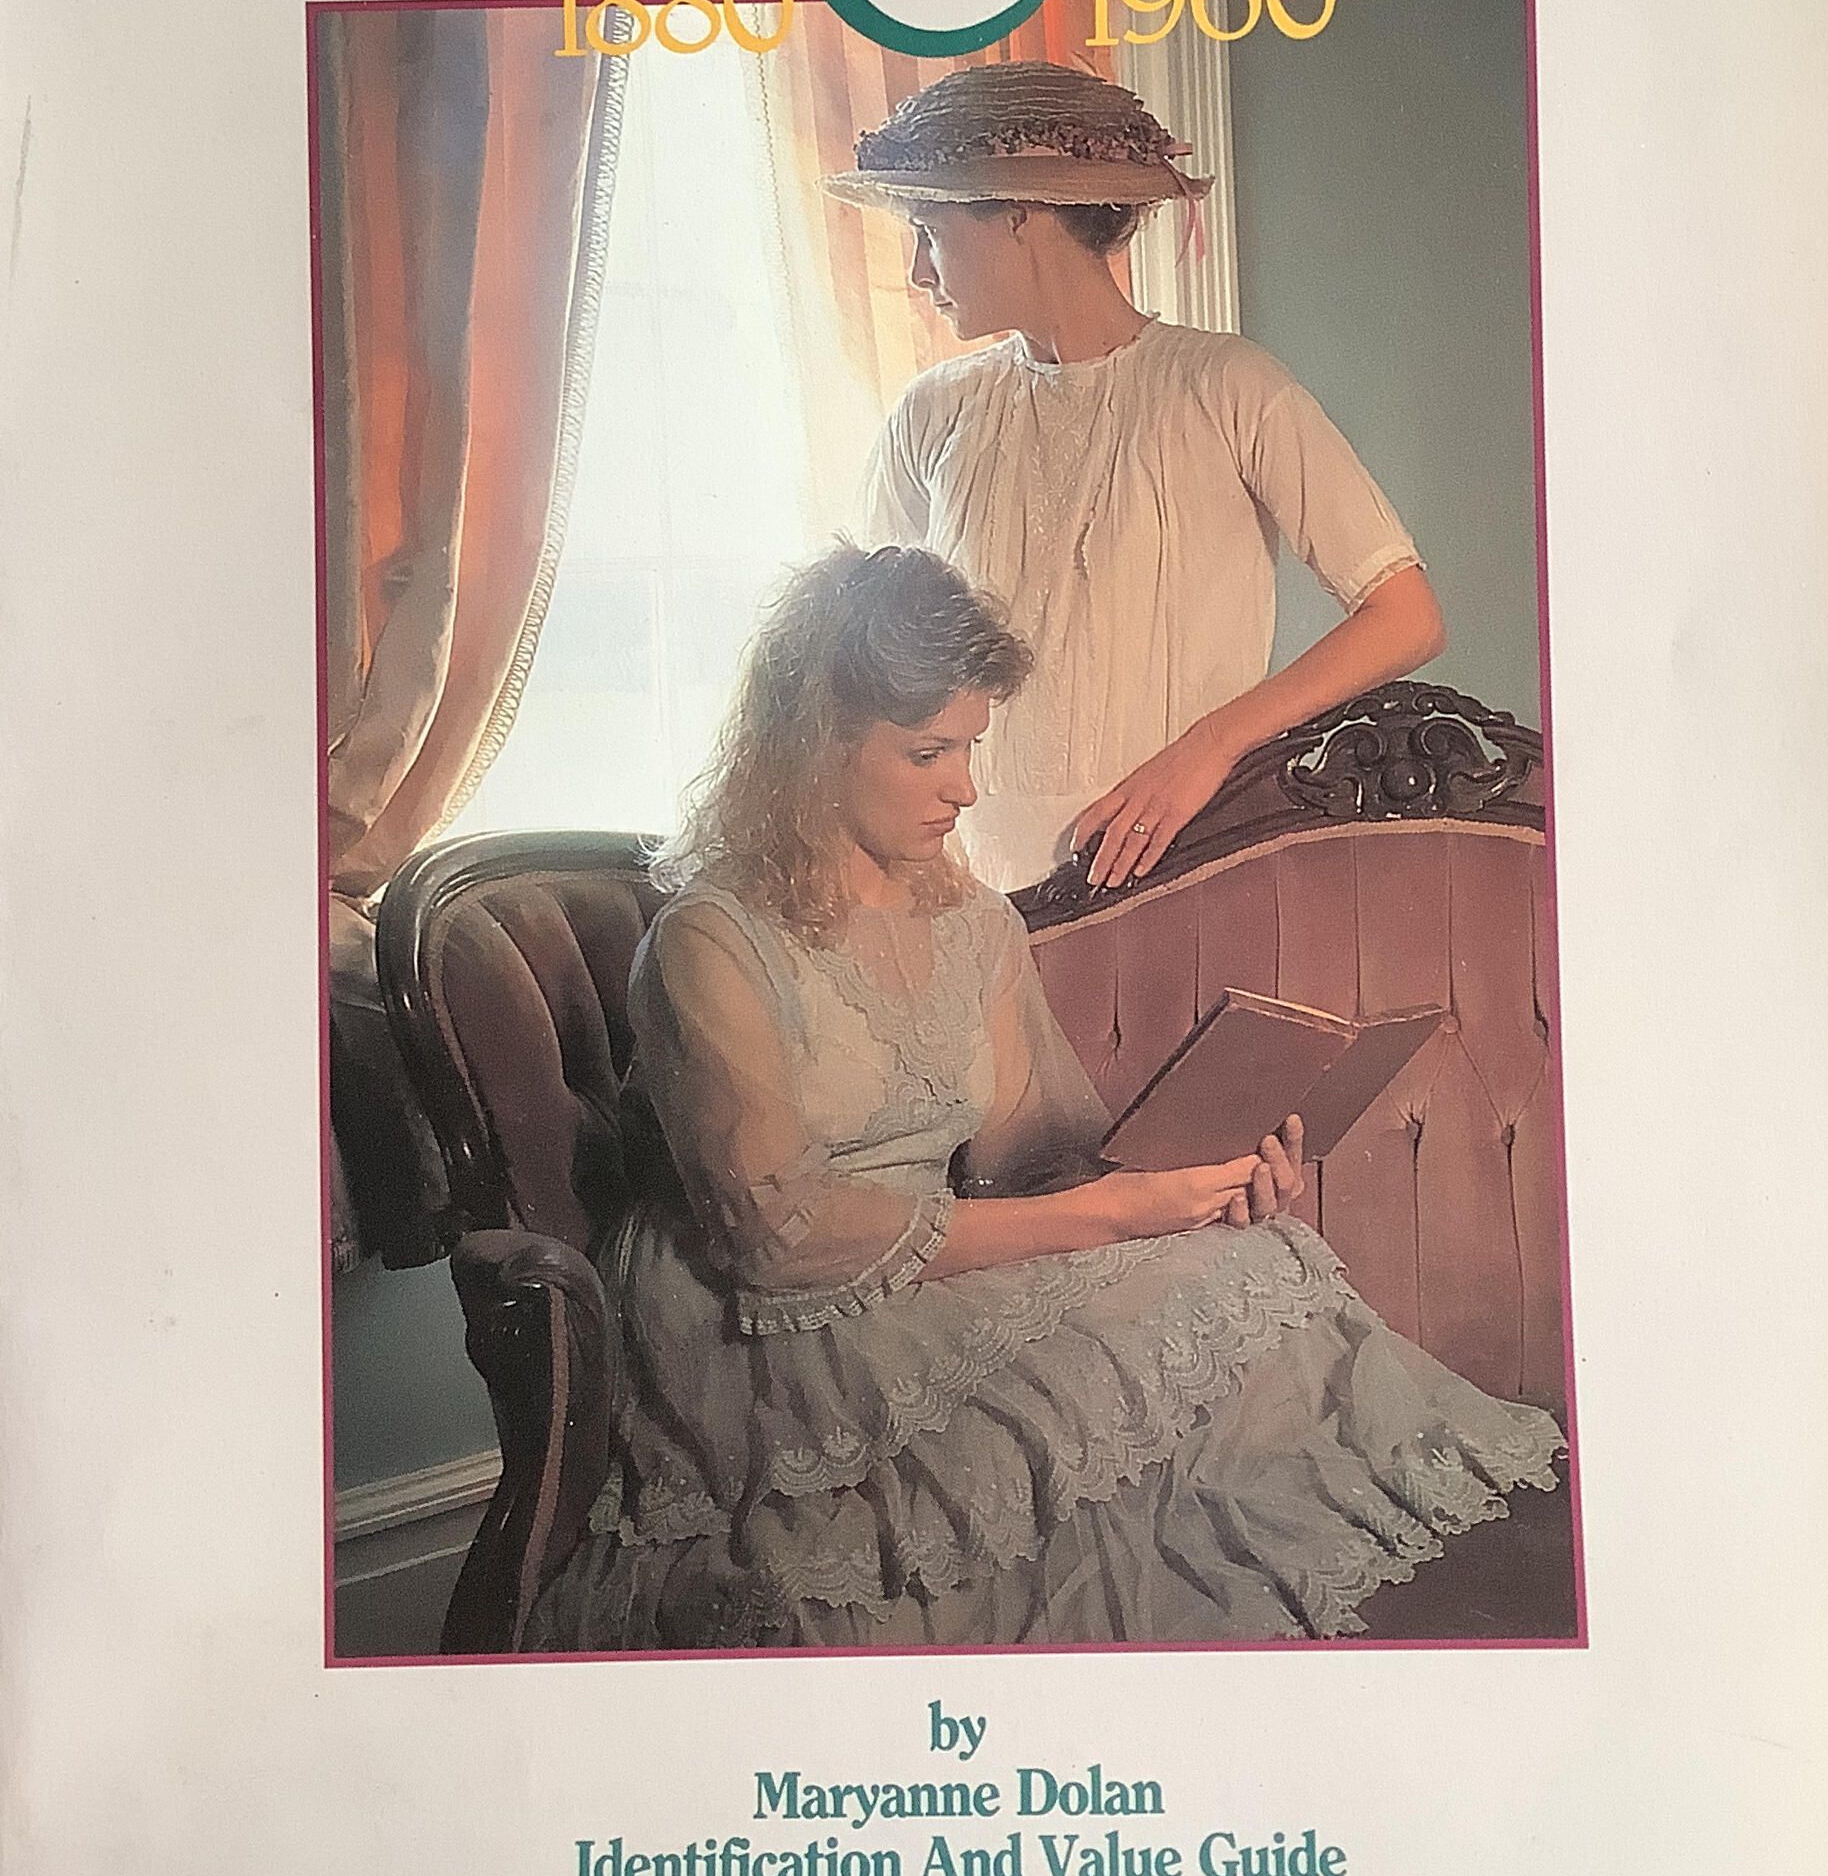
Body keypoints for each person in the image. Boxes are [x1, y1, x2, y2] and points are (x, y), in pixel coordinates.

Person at [528, 545, 1561, 1653]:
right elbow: (778, 1236)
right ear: (817, 743)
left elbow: (1032, 1157)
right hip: (763, 1322)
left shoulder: (970, 921)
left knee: (1259, 1260)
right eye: (929, 752)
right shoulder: (711, 939)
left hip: (932, 1264)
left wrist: (1197, 1179)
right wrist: (1111, 1216)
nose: (965, 787)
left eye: (970, 747)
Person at [827, 59, 1447, 892]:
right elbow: (861, 658)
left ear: (1018, 214)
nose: (919, 274)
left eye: (930, 232)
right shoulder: (934, 411)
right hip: (965, 883)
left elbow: (1406, 617)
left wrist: (1209, 746)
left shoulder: (1228, 386)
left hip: (1177, 872)